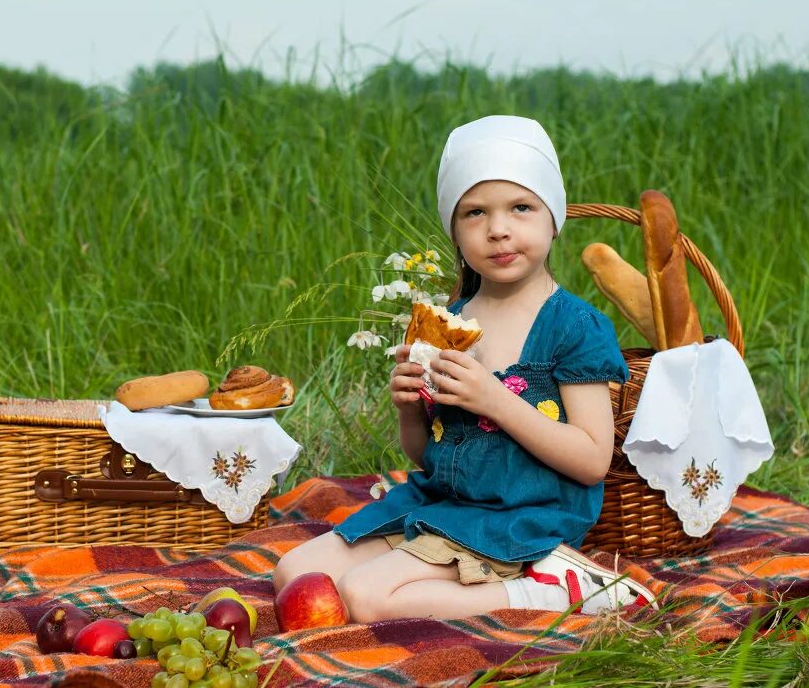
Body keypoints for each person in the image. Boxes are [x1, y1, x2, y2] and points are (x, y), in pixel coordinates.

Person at [273, 115, 655, 622]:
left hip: (522, 517)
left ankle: (558, 589)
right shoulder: (449, 321)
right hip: (445, 502)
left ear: (553, 218)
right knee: (293, 574)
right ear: (454, 229)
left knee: (365, 597)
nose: (498, 229)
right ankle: (439, 575)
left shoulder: (575, 327)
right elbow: (428, 454)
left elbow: (590, 460)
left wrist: (495, 400)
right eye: (475, 213)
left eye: (521, 207)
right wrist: (410, 408)